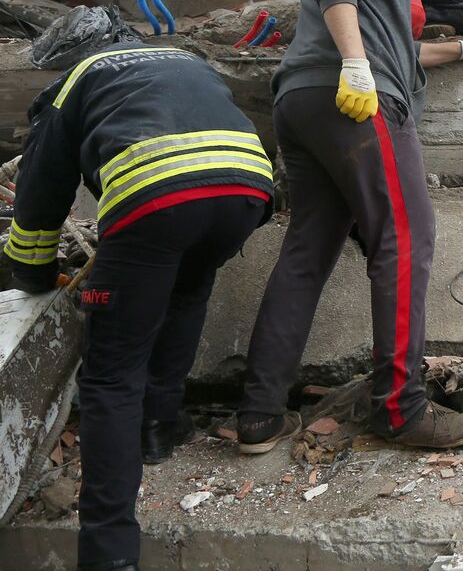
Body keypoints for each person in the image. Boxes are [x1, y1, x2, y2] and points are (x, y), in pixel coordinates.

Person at [237, 0, 463, 455]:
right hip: (354, 102)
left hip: (305, 103)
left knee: (308, 251)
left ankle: (258, 415)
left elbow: (399, 46)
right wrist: (357, 68)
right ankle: (402, 409)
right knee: (406, 238)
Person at [4, 40, 275, 571]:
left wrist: (32, 272)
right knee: (187, 291)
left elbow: (40, 194)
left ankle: (109, 554)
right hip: (245, 188)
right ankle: (158, 425)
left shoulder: (72, 85)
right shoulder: (181, 56)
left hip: (154, 196)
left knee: (111, 374)